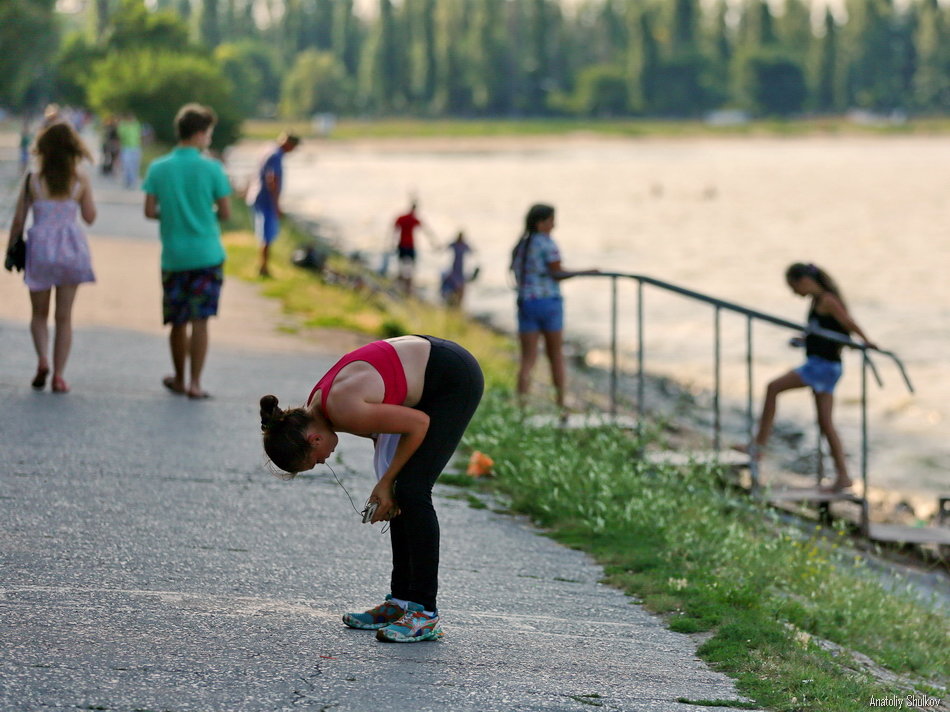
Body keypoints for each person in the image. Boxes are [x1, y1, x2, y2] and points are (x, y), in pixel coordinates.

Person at [259, 334, 484, 643]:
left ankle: (425, 615)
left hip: (452, 377)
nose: (325, 461)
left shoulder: (343, 410)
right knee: (397, 490)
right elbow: (386, 430)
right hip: (430, 371)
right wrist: (386, 484)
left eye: (315, 461)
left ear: (314, 440)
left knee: (412, 489)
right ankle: (402, 603)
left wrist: (387, 482)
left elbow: (418, 424)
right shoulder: (317, 407)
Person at [742, 263, 876, 492]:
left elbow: (848, 322)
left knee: (773, 388)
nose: (795, 293)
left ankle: (758, 446)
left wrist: (866, 341)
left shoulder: (827, 300)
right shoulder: (819, 301)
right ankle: (843, 476)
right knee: (826, 423)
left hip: (821, 366)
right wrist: (805, 340)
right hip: (826, 365)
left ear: (804, 280)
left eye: (794, 287)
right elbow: (827, 330)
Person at [143, 103, 232, 400]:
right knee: (201, 321)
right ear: (198, 133)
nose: (209, 139)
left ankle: (179, 378)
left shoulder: (158, 167)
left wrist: (174, 213)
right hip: (207, 254)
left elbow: (150, 210)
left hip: (174, 256)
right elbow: (227, 212)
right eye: (208, 134)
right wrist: (203, 213)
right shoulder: (212, 168)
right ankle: (196, 383)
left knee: (177, 321)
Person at [3, 122, 97, 393]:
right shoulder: (80, 179)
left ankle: (42, 359)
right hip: (71, 250)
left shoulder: (33, 179)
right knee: (64, 317)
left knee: (39, 314)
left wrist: (11, 252)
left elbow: (19, 220)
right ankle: (59, 376)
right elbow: (90, 218)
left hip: (41, 250)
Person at [510, 203, 598, 411]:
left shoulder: (521, 245)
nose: (554, 225)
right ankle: (560, 403)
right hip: (548, 302)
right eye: (551, 220)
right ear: (541, 223)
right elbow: (557, 273)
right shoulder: (547, 244)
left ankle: (521, 406)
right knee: (555, 355)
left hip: (526, 303)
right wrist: (586, 272)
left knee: (528, 359)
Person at [249, 132, 300, 277]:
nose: (293, 151)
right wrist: (277, 205)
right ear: (289, 144)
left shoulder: (268, 148)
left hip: (258, 196)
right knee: (267, 234)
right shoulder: (276, 155)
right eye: (294, 147)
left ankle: (263, 266)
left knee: (264, 234)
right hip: (266, 200)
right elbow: (272, 180)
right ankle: (263, 267)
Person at [393, 201, 437, 296]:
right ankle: (407, 288)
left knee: (402, 266)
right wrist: (433, 242)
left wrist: (392, 241)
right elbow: (426, 230)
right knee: (411, 267)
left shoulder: (403, 217)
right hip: (409, 245)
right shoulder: (413, 219)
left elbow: (395, 228)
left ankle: (401, 286)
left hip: (402, 245)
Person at [440, 231, 473, 307]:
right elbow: (445, 247)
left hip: (460, 269)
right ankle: (455, 303)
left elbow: (472, 251)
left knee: (461, 286)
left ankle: (459, 304)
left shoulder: (464, 245)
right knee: (457, 285)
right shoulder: (455, 244)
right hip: (455, 268)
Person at [117, 113, 143, 189]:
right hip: (126, 148)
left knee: (135, 165)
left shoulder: (136, 125)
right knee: (127, 165)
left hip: (136, 147)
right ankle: (128, 181)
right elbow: (120, 134)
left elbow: (140, 134)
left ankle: (133, 181)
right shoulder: (123, 126)